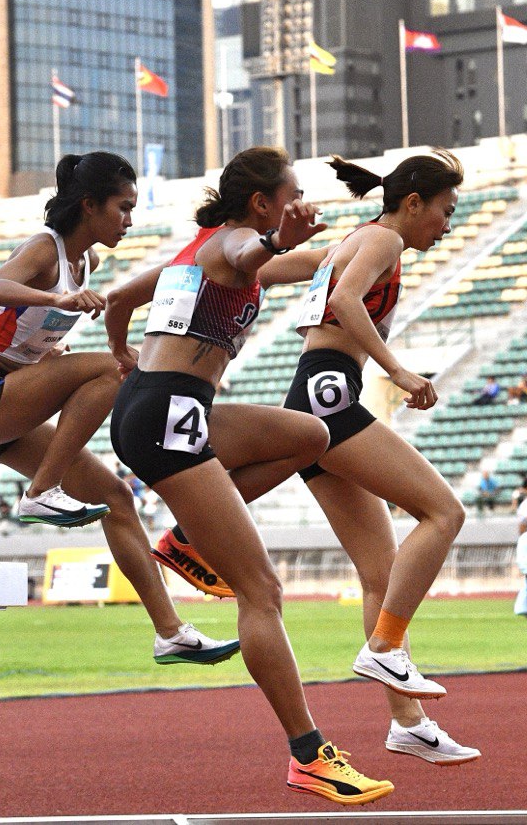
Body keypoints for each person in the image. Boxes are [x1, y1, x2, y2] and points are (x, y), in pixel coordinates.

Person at [105, 146, 395, 801]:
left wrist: (371, 235)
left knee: (310, 434)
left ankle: (185, 539)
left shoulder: (203, 244)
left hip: (167, 404)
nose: (299, 202)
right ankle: (309, 753)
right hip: (166, 415)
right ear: (262, 202)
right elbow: (249, 254)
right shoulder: (235, 241)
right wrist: (271, 239)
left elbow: (122, 295)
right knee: (261, 590)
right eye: (290, 192)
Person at [0, 151, 238, 671]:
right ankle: (40, 493)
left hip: (12, 397)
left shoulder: (88, 263)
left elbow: (25, 340)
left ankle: (171, 633)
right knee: (104, 368)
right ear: (89, 206)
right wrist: (58, 302)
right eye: (122, 208)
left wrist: (52, 348)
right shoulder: (45, 250)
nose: (129, 220)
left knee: (116, 498)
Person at [260, 149, 478, 764]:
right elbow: (348, 302)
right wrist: (401, 372)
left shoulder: (354, 240)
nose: (447, 224)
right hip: (329, 396)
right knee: (444, 512)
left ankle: (406, 722)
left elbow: (271, 270)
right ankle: (385, 648)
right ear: (412, 204)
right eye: (445, 211)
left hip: (313, 395)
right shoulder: (382, 243)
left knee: (380, 573)